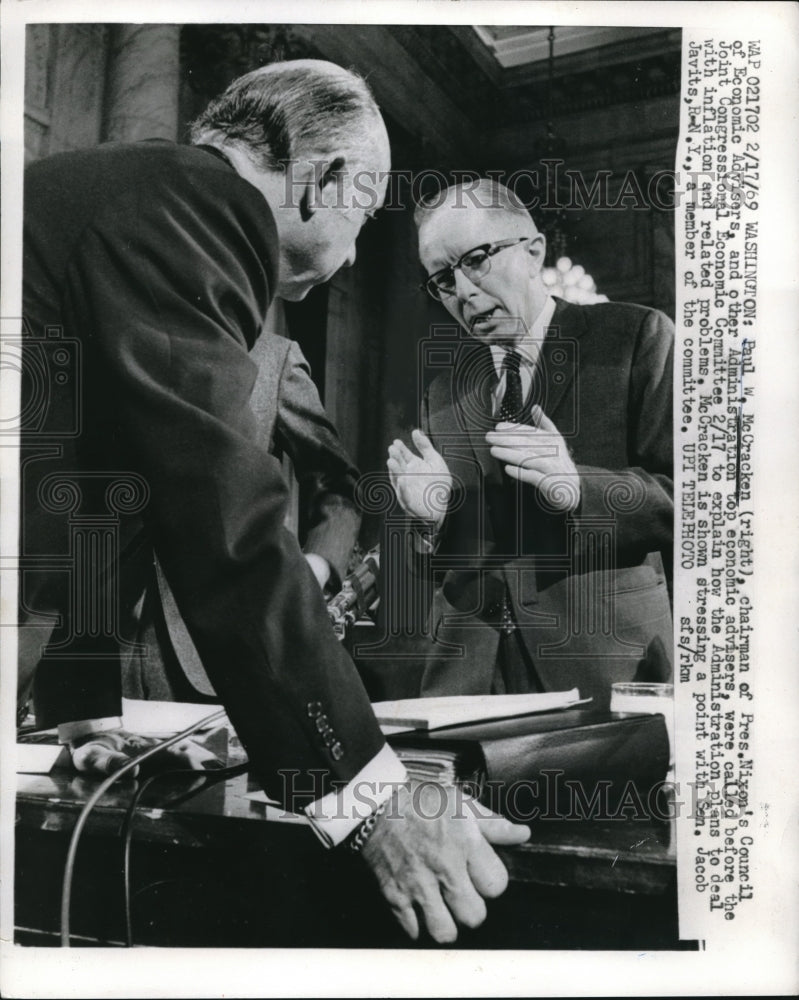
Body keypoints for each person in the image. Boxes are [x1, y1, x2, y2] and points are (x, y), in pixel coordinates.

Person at [19, 62, 529, 944]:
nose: (354, 255)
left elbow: (106, 486)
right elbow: (222, 518)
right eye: (362, 220)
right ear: (324, 181)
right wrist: (372, 801)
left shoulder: (136, 194)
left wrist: (80, 705)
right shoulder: (196, 210)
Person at [387, 180, 673, 707]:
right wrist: (433, 520)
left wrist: (577, 487)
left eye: (475, 260)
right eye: (442, 280)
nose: (464, 292)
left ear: (534, 250)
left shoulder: (636, 338)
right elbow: (440, 561)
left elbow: (692, 502)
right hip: (469, 677)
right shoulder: (444, 391)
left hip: (604, 664)